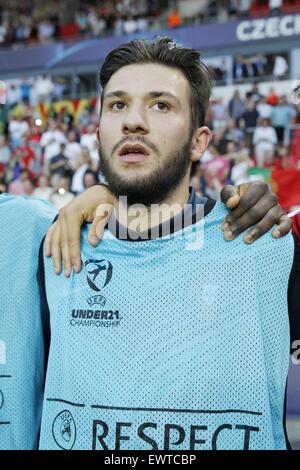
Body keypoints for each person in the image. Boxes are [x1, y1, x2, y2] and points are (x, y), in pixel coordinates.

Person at [38, 37, 298, 450]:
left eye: (161, 105)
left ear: (199, 141)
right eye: (118, 105)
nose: (133, 121)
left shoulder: (267, 242)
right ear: (99, 130)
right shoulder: (54, 244)